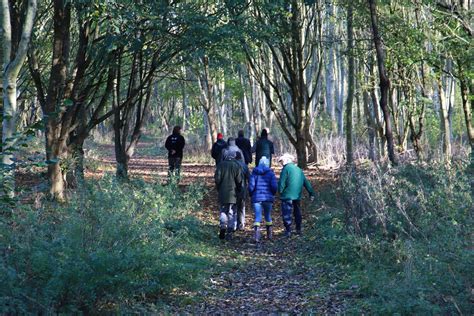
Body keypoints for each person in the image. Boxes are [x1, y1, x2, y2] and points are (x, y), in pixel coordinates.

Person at [277, 153, 315, 237]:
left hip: (287, 195)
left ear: (286, 160)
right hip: (297, 195)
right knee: (297, 212)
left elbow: (281, 183)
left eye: (282, 161)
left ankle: (288, 230)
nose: (281, 163)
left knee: (287, 212)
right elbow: (306, 182)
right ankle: (298, 229)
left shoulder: (286, 169)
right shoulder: (298, 169)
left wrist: (280, 191)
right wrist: (311, 193)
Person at [215, 150, 243, 240]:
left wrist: (219, 188)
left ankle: (223, 226)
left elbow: (217, 179)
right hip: (233, 193)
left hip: (223, 192)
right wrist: (239, 190)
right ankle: (230, 231)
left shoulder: (220, 165)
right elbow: (239, 181)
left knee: (223, 211)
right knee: (232, 212)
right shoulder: (236, 166)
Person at [248, 156, 278, 242]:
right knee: (268, 216)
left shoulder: (254, 173)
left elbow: (251, 187)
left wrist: (251, 195)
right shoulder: (271, 174)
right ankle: (269, 235)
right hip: (268, 198)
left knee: (257, 217)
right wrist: (272, 194)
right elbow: (274, 186)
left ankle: (257, 236)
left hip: (257, 198)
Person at [234, 152, 250, 231]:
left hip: (233, 189)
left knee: (233, 207)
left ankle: (233, 224)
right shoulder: (245, 166)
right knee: (241, 207)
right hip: (242, 188)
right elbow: (249, 178)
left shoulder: (232, 165)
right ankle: (241, 224)